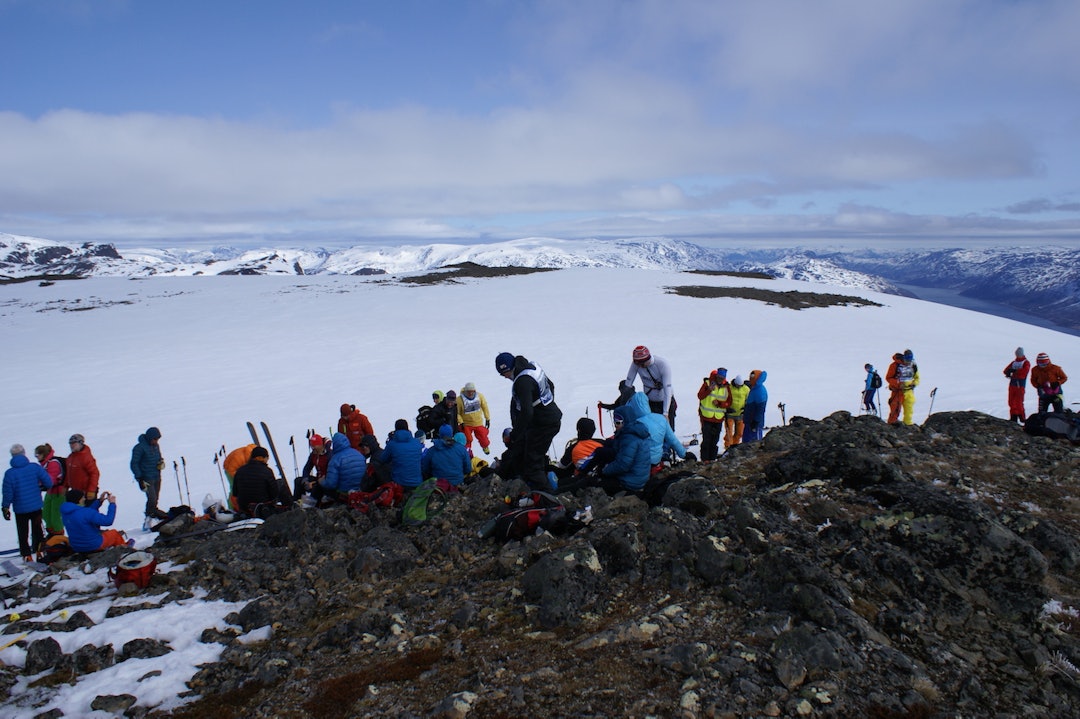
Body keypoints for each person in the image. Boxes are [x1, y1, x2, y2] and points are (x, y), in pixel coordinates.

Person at [496, 351, 563, 490]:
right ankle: (542, 489)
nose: (506, 377)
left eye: (505, 373)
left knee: (532, 465)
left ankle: (548, 497)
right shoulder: (533, 367)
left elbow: (527, 412)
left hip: (543, 424)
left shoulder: (522, 382)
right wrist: (547, 405)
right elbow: (551, 385)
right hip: (552, 417)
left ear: (509, 368)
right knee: (534, 456)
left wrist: (514, 435)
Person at [3, 444, 52, 561]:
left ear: (12, 456)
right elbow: (49, 482)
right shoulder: (34, 467)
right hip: (36, 505)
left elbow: (8, 493)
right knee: (38, 530)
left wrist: (5, 507)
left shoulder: (10, 473)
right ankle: (40, 552)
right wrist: (40, 487)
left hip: (20, 508)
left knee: (23, 532)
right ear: (24, 453)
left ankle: (26, 555)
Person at [600, 400, 653, 494]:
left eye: (618, 422)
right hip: (639, 477)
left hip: (630, 482)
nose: (615, 425)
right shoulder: (636, 430)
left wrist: (604, 470)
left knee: (595, 483)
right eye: (614, 421)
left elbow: (623, 465)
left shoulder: (629, 438)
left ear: (626, 421)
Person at [60, 488, 130, 553]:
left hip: (76, 546)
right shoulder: (86, 512)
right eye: (82, 497)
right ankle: (125, 550)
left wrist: (99, 501)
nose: (84, 499)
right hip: (93, 545)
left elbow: (86, 514)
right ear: (78, 500)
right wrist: (112, 504)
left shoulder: (65, 513)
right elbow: (108, 521)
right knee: (114, 534)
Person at [625, 345, 676, 430]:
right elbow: (628, 383)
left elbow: (667, 389)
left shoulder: (662, 364)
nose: (639, 366)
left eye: (641, 364)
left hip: (665, 401)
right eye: (637, 364)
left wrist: (665, 413)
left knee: (668, 429)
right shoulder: (636, 363)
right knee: (652, 429)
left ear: (647, 360)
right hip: (650, 402)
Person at [233, 446, 292, 517]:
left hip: (245, 509)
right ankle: (290, 509)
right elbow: (274, 494)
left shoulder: (239, 471)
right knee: (280, 483)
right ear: (262, 458)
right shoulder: (267, 471)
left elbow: (235, 493)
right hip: (263, 508)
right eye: (267, 458)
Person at [130, 426, 169, 522]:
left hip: (156, 475)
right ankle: (149, 514)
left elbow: (158, 456)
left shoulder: (156, 446)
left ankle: (153, 512)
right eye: (154, 439)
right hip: (146, 478)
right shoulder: (139, 448)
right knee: (152, 497)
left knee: (156, 497)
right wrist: (139, 477)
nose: (156, 441)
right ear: (149, 437)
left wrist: (160, 461)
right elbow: (134, 463)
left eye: (157, 439)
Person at [421, 424, 472, 490]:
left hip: (439, 487)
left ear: (439, 434)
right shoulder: (461, 449)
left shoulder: (432, 451)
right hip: (457, 485)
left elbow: (425, 469)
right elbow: (468, 469)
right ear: (452, 434)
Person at [379, 419, 424, 490]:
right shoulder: (417, 443)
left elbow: (383, 459)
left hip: (400, 483)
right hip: (417, 483)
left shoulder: (392, 444)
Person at [697, 368, 730, 461]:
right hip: (707, 417)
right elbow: (700, 396)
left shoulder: (726, 387)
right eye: (719, 377)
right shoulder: (707, 383)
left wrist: (720, 403)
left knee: (715, 440)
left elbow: (729, 402)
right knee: (706, 440)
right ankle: (705, 460)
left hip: (718, 418)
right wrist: (708, 390)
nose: (720, 380)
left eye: (722, 378)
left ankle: (712, 459)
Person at [321, 432, 366, 500]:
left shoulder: (335, 459)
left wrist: (322, 482)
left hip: (344, 493)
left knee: (321, 486)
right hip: (360, 490)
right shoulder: (359, 454)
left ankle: (312, 504)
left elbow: (331, 484)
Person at [35, 443, 65, 535]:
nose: (36, 457)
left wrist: (41, 484)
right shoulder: (44, 464)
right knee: (46, 514)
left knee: (55, 516)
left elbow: (51, 479)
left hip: (58, 493)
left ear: (43, 454)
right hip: (50, 492)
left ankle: (58, 534)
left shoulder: (53, 463)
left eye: (37, 455)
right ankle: (51, 533)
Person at [457, 382, 492, 455]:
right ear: (465, 391)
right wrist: (461, 422)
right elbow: (457, 413)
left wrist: (487, 418)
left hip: (478, 422)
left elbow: (485, 407)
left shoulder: (480, 396)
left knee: (484, 438)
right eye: (468, 392)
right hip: (466, 424)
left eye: (472, 391)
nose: (470, 393)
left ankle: (485, 446)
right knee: (467, 439)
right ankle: (467, 452)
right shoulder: (459, 400)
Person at [294, 434, 330, 502]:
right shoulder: (313, 454)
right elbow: (307, 468)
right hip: (317, 479)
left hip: (326, 480)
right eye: (311, 446)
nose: (312, 448)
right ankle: (297, 502)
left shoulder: (328, 455)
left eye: (314, 446)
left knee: (316, 487)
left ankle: (310, 503)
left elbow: (331, 473)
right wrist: (306, 480)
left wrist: (314, 483)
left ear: (320, 445)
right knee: (298, 481)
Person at [65, 433, 100, 500]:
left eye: (74, 443)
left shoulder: (86, 457)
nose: (72, 445)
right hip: (75, 492)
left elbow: (94, 473)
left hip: (86, 492)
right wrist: (65, 486)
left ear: (80, 443)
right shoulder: (70, 457)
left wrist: (91, 491)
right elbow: (68, 473)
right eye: (70, 443)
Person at [891, 349, 920, 425]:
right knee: (895, 409)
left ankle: (908, 424)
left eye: (910, 360)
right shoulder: (895, 365)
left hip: (909, 391)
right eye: (907, 360)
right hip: (898, 391)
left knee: (909, 410)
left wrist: (914, 383)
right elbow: (889, 377)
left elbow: (917, 378)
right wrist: (898, 384)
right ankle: (892, 425)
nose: (908, 362)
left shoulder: (913, 365)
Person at [1003, 348, 1031, 423]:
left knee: (1019, 402)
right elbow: (1006, 370)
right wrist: (1008, 372)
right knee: (1011, 402)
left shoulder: (1026, 362)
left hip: (1020, 385)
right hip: (1013, 384)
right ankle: (1013, 417)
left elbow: (1024, 372)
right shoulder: (1014, 362)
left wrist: (1015, 371)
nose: (1018, 355)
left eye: (1019, 354)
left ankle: (1022, 417)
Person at [742, 369, 768, 442]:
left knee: (755, 443)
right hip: (749, 422)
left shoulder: (760, 391)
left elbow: (761, 409)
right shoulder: (754, 388)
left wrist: (756, 421)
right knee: (746, 443)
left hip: (755, 424)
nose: (750, 379)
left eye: (752, 378)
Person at [725, 375, 750, 449]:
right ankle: (728, 447)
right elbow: (724, 399)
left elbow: (748, 400)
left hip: (740, 414)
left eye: (740, 385)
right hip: (730, 414)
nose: (739, 387)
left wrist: (746, 408)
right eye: (737, 385)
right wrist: (727, 408)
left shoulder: (746, 389)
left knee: (739, 433)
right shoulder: (729, 388)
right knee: (729, 433)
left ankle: (735, 447)